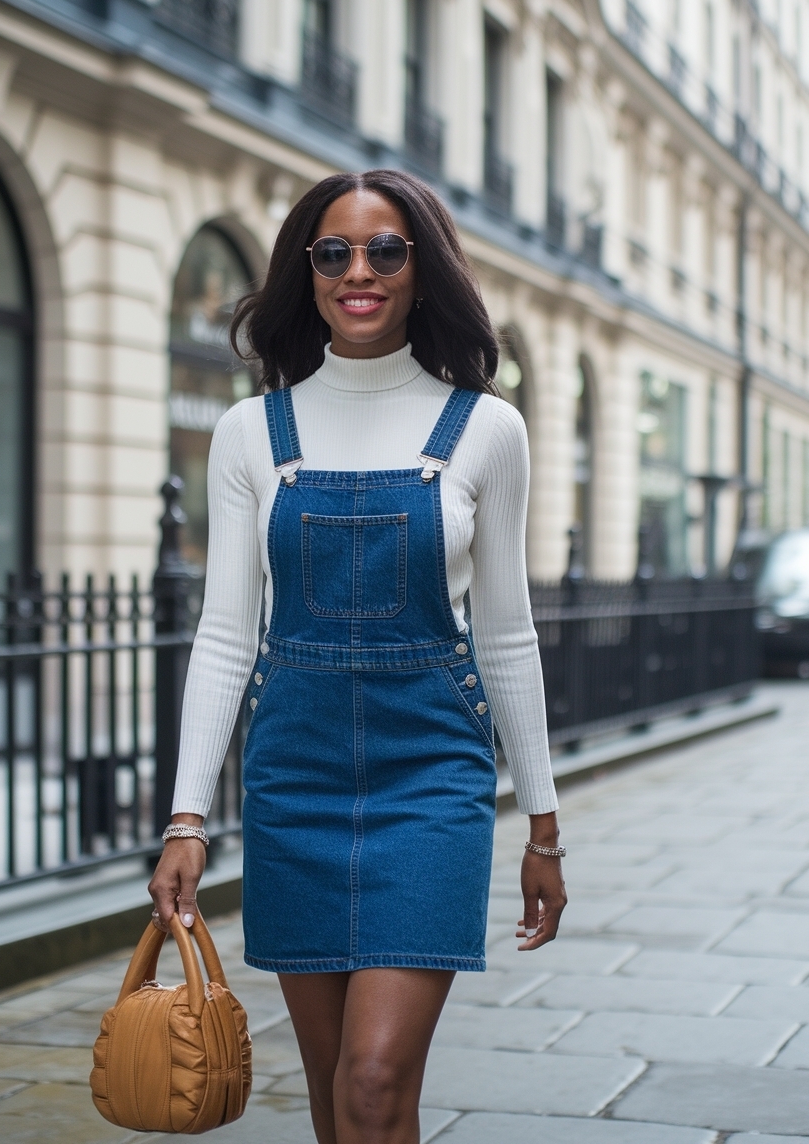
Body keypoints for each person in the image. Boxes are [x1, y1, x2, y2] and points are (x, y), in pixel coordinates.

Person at [149, 169, 567, 1144]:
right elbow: (224, 635)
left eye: (386, 249)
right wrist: (186, 816)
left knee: (376, 1082)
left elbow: (505, 633)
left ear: (424, 269)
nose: (359, 271)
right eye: (333, 252)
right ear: (310, 272)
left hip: (430, 783)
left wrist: (543, 828)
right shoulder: (252, 432)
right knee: (338, 1097)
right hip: (295, 781)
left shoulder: (486, 428)